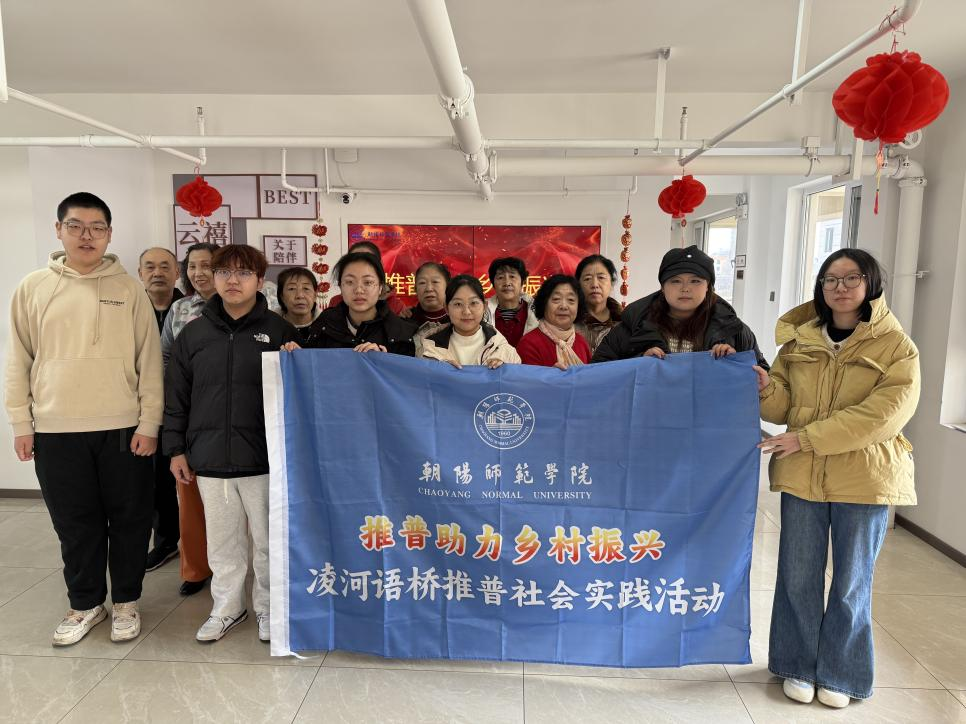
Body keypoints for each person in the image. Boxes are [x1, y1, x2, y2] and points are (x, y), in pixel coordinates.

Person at [755, 249, 920, 709]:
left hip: (865, 477)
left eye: (851, 278)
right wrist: (766, 388)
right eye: (830, 279)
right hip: (802, 475)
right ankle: (795, 665)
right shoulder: (798, 342)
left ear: (871, 284)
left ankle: (842, 674)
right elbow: (782, 408)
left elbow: (883, 416)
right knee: (797, 576)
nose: (840, 287)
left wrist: (807, 438)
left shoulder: (896, 346)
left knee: (851, 581)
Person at [4, 192, 163, 646]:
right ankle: (86, 604)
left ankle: (127, 602)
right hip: (56, 429)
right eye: (75, 226)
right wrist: (21, 423)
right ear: (59, 230)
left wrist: (149, 422)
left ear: (109, 234)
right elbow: (17, 359)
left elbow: (149, 360)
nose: (86, 235)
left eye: (96, 227)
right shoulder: (33, 287)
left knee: (130, 520)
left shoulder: (128, 289)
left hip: (123, 428)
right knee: (75, 524)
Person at [164, 245, 298, 643]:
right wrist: (175, 449)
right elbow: (177, 396)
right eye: (224, 272)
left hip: (264, 458)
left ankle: (268, 607)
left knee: (268, 543)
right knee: (223, 543)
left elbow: (301, 396)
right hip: (209, 459)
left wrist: (297, 360)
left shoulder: (280, 331)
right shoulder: (194, 334)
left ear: (259, 281)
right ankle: (227, 607)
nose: (232, 280)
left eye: (243, 273)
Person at [592, 245, 768, 366]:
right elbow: (598, 370)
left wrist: (733, 362)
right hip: (651, 409)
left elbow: (761, 376)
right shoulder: (634, 325)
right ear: (662, 287)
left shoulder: (732, 330)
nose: (685, 288)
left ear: (708, 286)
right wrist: (639, 361)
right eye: (675, 281)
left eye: (695, 281)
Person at [160, 242, 218, 597]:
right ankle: (195, 568)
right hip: (192, 410)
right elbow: (165, 357)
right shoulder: (180, 309)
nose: (199, 273)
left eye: (207, 265)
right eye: (193, 266)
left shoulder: (246, 304)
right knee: (190, 494)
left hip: (236, 410)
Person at [137, 247, 184, 572]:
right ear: (140, 273)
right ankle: (165, 541)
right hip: (140, 408)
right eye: (150, 267)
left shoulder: (189, 309)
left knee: (183, 479)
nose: (158, 273)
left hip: (181, 406)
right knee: (153, 481)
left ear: (177, 273)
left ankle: (195, 547)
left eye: (165, 267)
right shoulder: (130, 308)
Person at [303, 251, 417, 355]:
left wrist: (382, 360)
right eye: (350, 282)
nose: (358, 290)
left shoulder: (401, 332)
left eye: (368, 282)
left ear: (380, 288)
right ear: (340, 286)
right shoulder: (324, 324)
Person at [418, 275, 520, 368]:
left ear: (485, 306)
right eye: (458, 304)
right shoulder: (428, 349)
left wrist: (505, 370)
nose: (466, 312)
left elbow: (515, 380)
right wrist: (436, 369)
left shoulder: (503, 351)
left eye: (473, 303)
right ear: (446, 308)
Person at [516, 274, 591, 368]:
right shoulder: (528, 344)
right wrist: (551, 375)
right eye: (556, 299)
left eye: (571, 300)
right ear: (544, 304)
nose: (564, 306)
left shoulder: (582, 343)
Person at [326, 241, 406, 314]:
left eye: (368, 282)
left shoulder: (396, 307)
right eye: (355, 259)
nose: (359, 290)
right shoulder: (336, 303)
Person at [574, 254, 623, 356]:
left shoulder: (625, 322)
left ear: (611, 284)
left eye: (601, 277)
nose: (595, 285)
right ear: (578, 285)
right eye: (587, 279)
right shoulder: (569, 321)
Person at [485, 257, 538, 347]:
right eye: (500, 277)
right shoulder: (483, 312)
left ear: (523, 281)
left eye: (512, 277)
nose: (507, 283)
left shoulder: (537, 312)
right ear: (493, 283)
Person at [276, 266, 320, 342]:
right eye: (292, 289)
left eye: (306, 288)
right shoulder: (269, 327)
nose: (300, 295)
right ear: (282, 297)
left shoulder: (328, 327)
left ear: (315, 295)